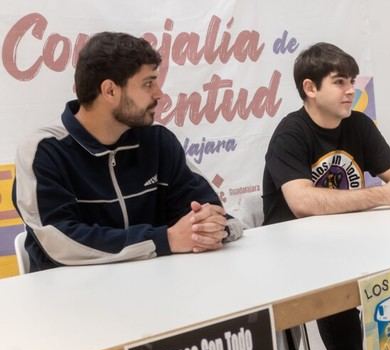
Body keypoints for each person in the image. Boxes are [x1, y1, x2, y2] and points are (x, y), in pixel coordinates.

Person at [263, 42, 390, 350]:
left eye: (352, 81)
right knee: (335, 297)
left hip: (350, 238)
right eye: (339, 82)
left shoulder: (358, 124)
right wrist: (385, 195)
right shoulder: (290, 133)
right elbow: (302, 202)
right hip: (294, 250)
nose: (350, 90)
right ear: (310, 88)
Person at [13, 32, 242, 272]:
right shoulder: (44, 152)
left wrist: (212, 228)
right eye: (148, 83)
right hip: (71, 291)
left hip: (158, 284)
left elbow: (210, 212)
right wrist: (165, 239)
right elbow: (59, 242)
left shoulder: (158, 142)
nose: (159, 94)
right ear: (110, 91)